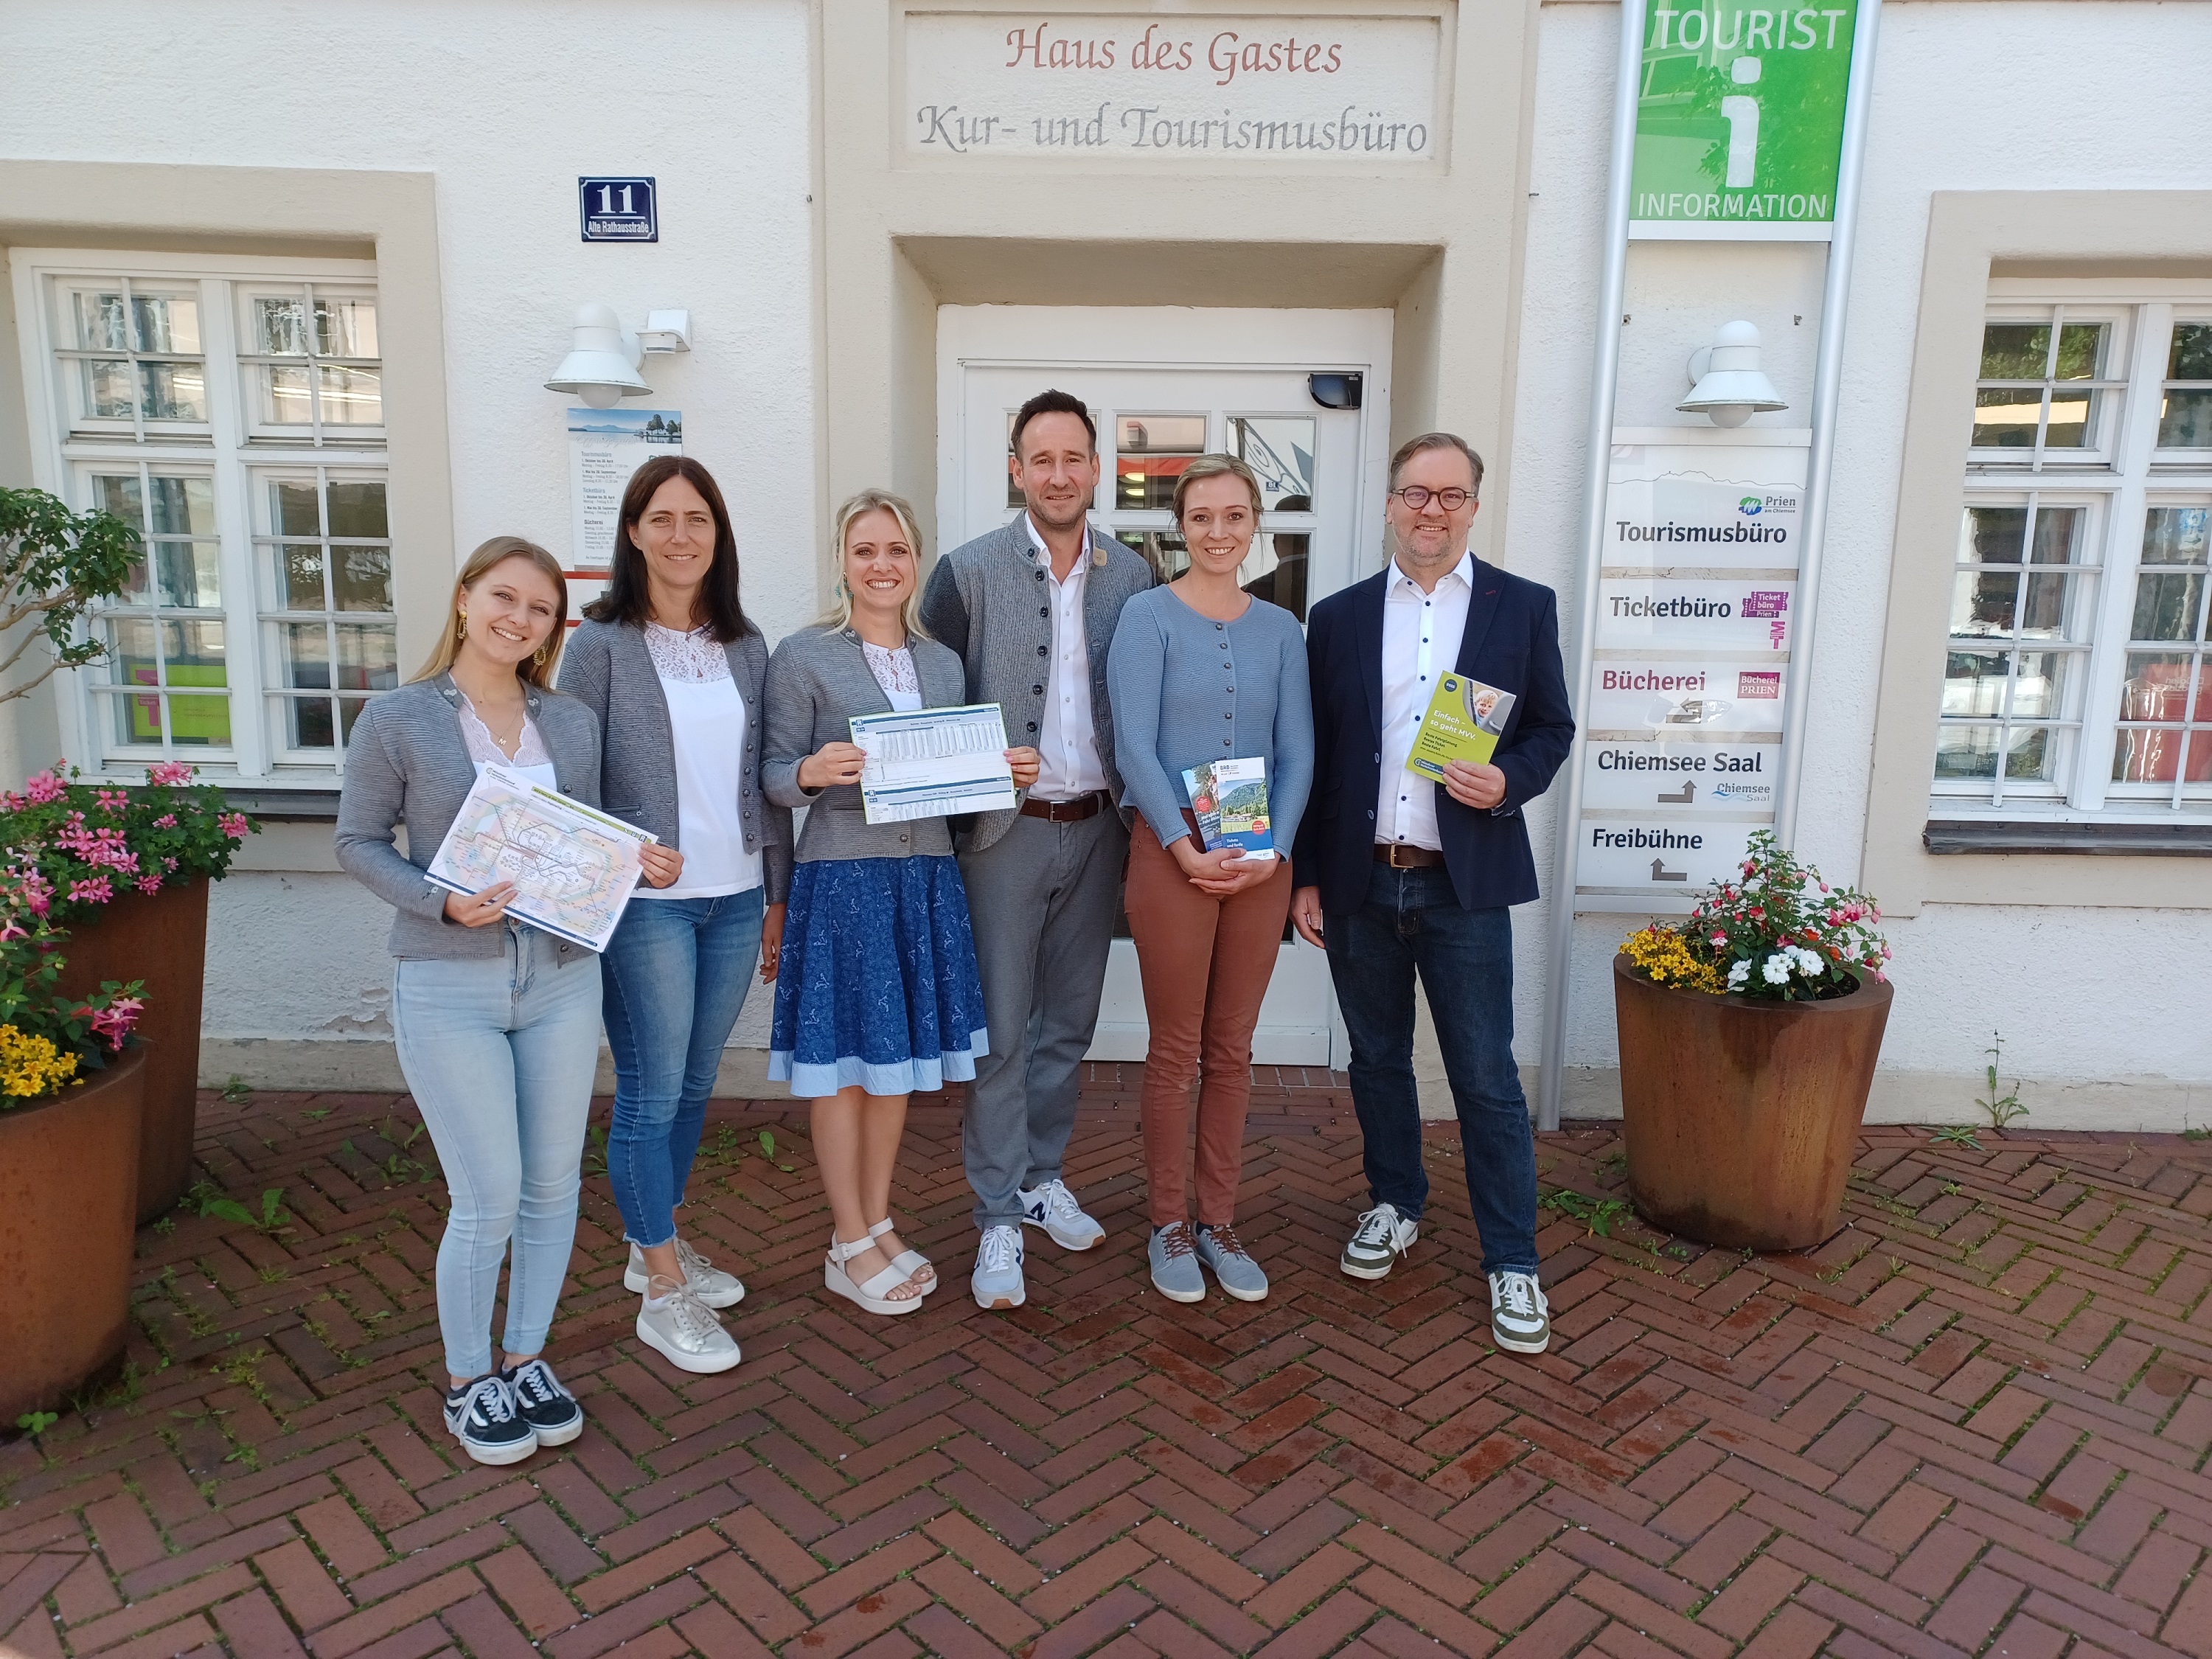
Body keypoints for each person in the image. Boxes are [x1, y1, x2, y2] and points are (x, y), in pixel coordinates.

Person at [1288, 434, 1574, 1354]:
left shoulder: (1521, 607)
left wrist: (1512, 781)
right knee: (1376, 1058)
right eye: (1416, 492)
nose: (1432, 510)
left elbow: (1551, 728)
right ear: (1389, 503)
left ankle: (1512, 1259)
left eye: (1451, 495)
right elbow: (1318, 757)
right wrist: (1307, 875)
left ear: (1474, 506)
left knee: (1485, 1076)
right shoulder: (1334, 619)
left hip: (1465, 882)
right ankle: (1395, 1201)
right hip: (1364, 875)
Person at [334, 536, 601, 1464]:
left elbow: (587, 842)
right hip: (450, 981)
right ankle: (466, 1381)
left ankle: (526, 1356)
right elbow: (358, 842)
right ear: (463, 599)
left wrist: (636, 864)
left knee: (552, 1187)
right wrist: (438, 899)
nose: (518, 618)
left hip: (563, 980)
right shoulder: (398, 718)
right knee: (486, 1195)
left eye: (539, 609)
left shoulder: (569, 722)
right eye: (504, 596)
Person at [764, 490, 1042, 1315]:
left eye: (896, 550)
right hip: (845, 879)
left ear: (915, 562)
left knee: (893, 1070)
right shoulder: (803, 654)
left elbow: (947, 782)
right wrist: (812, 772)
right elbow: (772, 778)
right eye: (865, 551)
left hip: (923, 878)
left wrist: (1005, 773)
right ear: (843, 563)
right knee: (842, 1069)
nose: (881, 565)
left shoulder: (942, 663)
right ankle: (848, 1239)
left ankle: (877, 1218)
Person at [919, 389, 1154, 1310]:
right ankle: (994, 1220)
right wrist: (982, 765)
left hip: (1100, 828)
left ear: (1097, 470)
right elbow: (926, 703)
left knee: (1070, 1022)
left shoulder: (1134, 578)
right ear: (1016, 470)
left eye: (1074, 458)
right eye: (1039, 459)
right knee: (1004, 1030)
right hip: (1002, 836)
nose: (1058, 475)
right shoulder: (965, 572)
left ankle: (1040, 1175)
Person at [559, 456, 792, 1376]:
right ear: (633, 533)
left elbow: (766, 778)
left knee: (696, 1083)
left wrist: (778, 892)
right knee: (653, 1089)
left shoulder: (746, 643)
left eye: (699, 518)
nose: (682, 535)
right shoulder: (601, 645)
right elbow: (572, 782)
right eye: (663, 518)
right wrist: (623, 857)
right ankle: (661, 1287)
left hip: (735, 897)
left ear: (718, 535)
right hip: (649, 906)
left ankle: (650, 1238)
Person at [1107, 455, 1312, 1304]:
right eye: (1202, 517)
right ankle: (1167, 1223)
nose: (1220, 532)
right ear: (1179, 527)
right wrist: (1182, 847)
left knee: (1233, 1051)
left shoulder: (1280, 630)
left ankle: (1220, 1219)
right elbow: (1135, 746)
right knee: (1175, 1050)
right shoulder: (1145, 616)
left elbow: (1298, 749)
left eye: (1235, 516)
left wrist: (1276, 850)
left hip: (1259, 859)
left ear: (1254, 522)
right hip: (1173, 858)